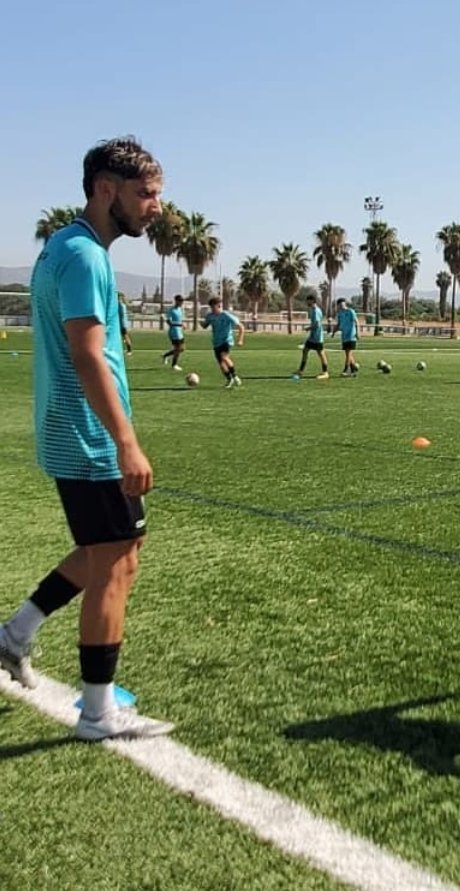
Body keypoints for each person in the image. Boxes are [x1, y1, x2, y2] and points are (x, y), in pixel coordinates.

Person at [0, 136, 173, 740]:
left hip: (74, 434)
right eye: (145, 193)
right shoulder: (86, 257)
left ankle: (15, 634)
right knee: (117, 565)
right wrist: (126, 442)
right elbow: (86, 354)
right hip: (90, 439)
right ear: (106, 188)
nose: (155, 206)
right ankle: (98, 714)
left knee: (107, 549)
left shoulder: (64, 247)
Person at [200, 297, 244, 387]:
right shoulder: (210, 316)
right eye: (211, 307)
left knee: (224, 357)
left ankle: (235, 376)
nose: (212, 309)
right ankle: (229, 379)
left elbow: (241, 327)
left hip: (226, 340)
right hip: (216, 342)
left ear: (219, 306)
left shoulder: (226, 315)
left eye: (214, 307)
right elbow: (205, 325)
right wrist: (201, 323)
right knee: (221, 363)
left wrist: (240, 340)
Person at [295, 294, 329, 379]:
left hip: (317, 337)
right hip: (312, 337)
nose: (306, 302)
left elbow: (317, 325)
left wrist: (308, 328)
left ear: (312, 301)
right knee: (305, 350)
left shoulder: (316, 311)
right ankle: (301, 371)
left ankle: (325, 373)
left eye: (307, 300)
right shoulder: (314, 310)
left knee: (321, 353)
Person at [331, 297, 360, 376]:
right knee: (348, 354)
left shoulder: (350, 311)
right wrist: (334, 332)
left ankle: (345, 370)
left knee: (348, 353)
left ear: (345, 304)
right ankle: (354, 370)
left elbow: (356, 322)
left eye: (342, 304)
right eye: (339, 305)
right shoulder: (340, 314)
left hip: (351, 335)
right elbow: (339, 324)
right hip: (344, 336)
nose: (341, 306)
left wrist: (357, 333)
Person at [161, 294, 185, 371]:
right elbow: (169, 322)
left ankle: (165, 355)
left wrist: (181, 326)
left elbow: (180, 320)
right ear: (176, 301)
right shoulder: (171, 310)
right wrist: (180, 324)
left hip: (180, 332)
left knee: (182, 349)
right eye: (180, 301)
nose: (181, 302)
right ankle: (174, 365)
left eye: (182, 301)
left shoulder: (180, 310)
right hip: (174, 332)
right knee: (178, 349)